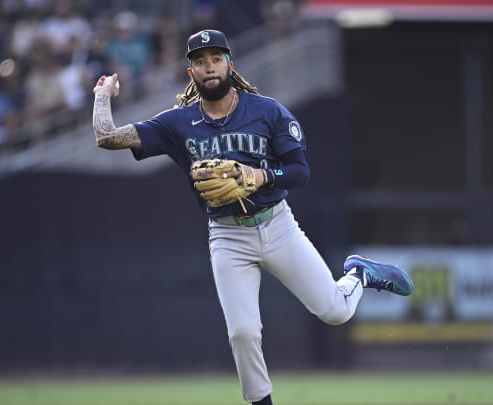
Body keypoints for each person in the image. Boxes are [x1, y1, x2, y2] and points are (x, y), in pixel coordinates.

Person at [91, 29, 414, 405]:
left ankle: (358, 273)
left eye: (216, 58)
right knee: (243, 332)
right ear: (191, 72)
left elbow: (300, 171)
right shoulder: (176, 123)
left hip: (276, 223)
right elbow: (106, 137)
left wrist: (259, 176)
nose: (209, 67)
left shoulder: (267, 111)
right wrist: (101, 96)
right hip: (227, 236)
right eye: (200, 61)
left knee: (335, 312)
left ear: (231, 63)